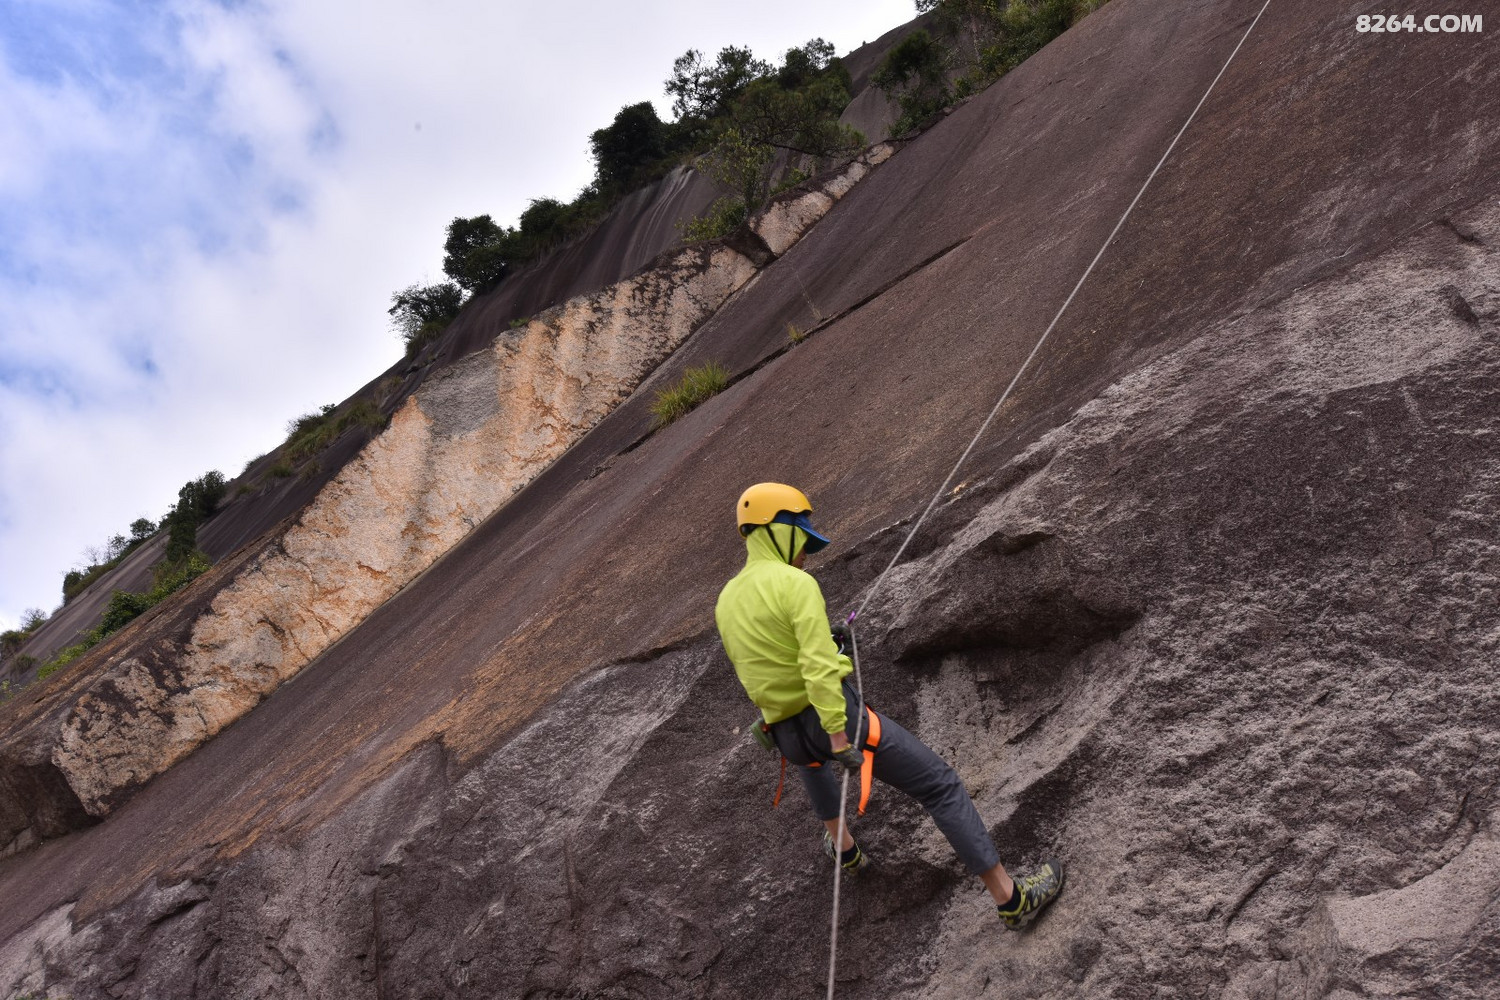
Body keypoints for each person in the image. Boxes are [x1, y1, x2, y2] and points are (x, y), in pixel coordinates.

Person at [715, 482, 1065, 930]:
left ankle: (844, 848)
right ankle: (1011, 899)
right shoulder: (795, 583)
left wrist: (826, 646)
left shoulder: (727, 600)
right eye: (801, 539)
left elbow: (764, 666)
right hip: (833, 723)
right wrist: (839, 736)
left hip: (785, 734)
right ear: (776, 529)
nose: (805, 553)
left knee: (813, 763)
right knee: (939, 785)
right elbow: (817, 670)